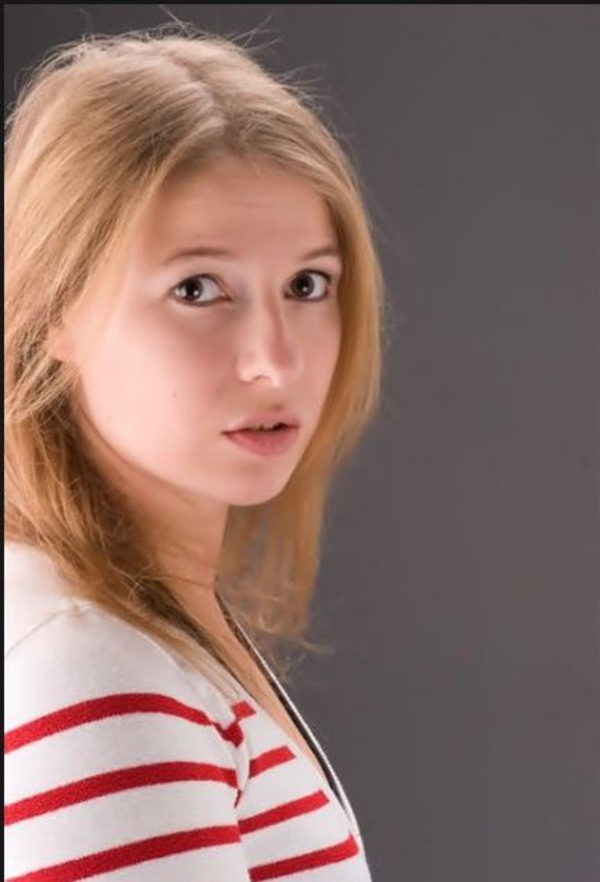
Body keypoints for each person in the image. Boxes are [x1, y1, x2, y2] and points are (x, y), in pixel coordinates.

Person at [5, 26, 385, 880]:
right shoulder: (91, 668)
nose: (275, 362)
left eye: (307, 285)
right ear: (54, 308)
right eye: (198, 288)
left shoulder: (139, 626)